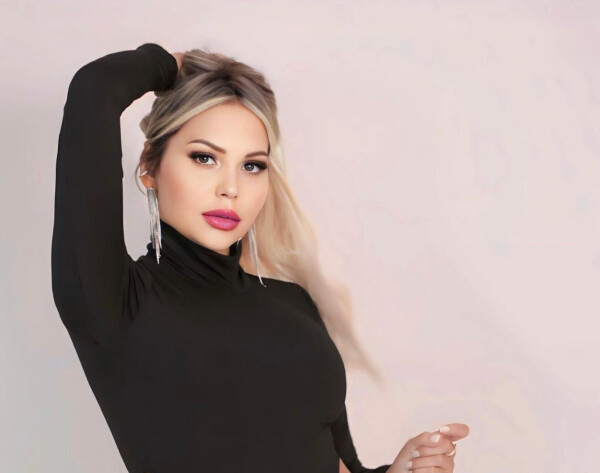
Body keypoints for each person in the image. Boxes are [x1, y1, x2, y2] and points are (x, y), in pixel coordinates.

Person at [51, 42, 469, 473]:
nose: (230, 188)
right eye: (205, 158)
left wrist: (400, 471)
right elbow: (94, 88)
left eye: (252, 166)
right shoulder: (115, 301)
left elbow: (342, 467)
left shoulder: (294, 303)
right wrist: (181, 65)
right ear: (149, 167)